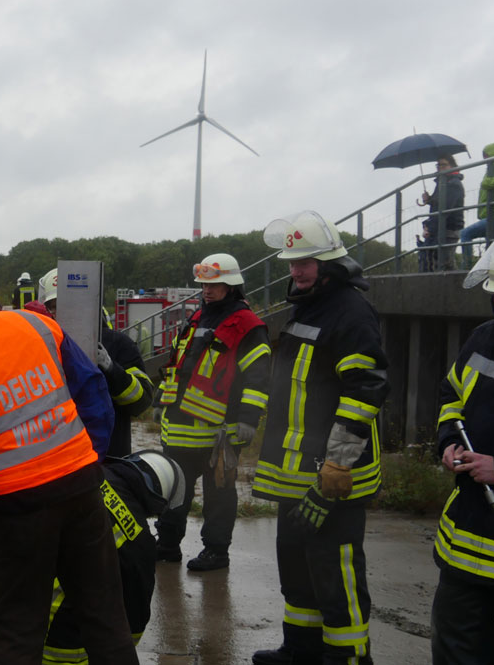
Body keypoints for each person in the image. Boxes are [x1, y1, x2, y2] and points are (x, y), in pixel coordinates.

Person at [0, 266, 138, 665]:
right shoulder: (35, 324)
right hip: (82, 488)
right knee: (105, 618)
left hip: (13, 509)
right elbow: (93, 392)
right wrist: (89, 458)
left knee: (16, 631)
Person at [250, 211, 389, 665]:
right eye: (292, 263)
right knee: (297, 567)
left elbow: (364, 393)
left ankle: (348, 658)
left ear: (328, 263)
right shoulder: (308, 307)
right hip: (295, 473)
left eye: (306, 262)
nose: (296, 270)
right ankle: (302, 650)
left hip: (332, 477)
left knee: (337, 573)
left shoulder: (350, 312)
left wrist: (335, 469)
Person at [0, 450, 185, 665]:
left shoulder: (79, 470)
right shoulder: (140, 544)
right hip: (51, 645)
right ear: (157, 502)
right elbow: (131, 627)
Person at [153, 253, 271, 572]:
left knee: (219, 495)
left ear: (232, 286)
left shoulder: (248, 326)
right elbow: (179, 365)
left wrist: (248, 419)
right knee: (174, 489)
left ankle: (216, 552)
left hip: (219, 433)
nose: (207, 290)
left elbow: (258, 377)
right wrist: (160, 401)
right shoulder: (198, 318)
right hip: (179, 429)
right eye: (204, 284)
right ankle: (167, 545)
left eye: (215, 284)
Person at [431, 237, 494, 664]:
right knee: (456, 649)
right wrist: (448, 442)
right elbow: (451, 395)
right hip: (468, 539)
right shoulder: (482, 339)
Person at [39, 267, 155, 459]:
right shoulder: (44, 345)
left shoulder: (118, 344)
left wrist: (110, 369)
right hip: (62, 460)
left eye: (64, 305)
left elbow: (141, 402)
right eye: (52, 306)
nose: (58, 312)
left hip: (110, 459)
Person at [460, 142, 494, 265]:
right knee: (491, 247)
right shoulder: (492, 172)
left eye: (487, 156)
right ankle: (489, 268)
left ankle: (467, 265)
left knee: (465, 233)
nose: (485, 160)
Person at [419, 154, 466, 270]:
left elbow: (446, 209)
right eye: (438, 165)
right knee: (440, 263)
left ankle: (456, 286)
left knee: (444, 264)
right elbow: (440, 205)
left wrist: (429, 228)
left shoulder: (453, 184)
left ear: (452, 166)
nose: (440, 167)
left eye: (443, 165)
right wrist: (429, 200)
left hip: (449, 228)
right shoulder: (443, 182)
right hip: (441, 227)